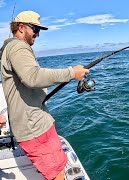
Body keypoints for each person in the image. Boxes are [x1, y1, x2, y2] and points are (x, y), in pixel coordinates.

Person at [0, 10, 89, 180]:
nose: (38, 35)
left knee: (56, 169)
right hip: (34, 127)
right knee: (57, 174)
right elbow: (33, 77)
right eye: (35, 29)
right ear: (21, 27)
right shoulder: (18, 47)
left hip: (32, 121)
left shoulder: (9, 47)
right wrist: (71, 73)